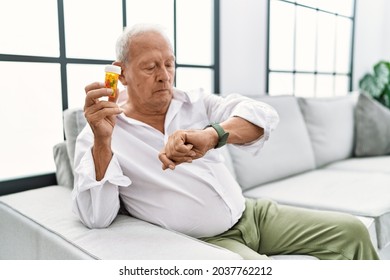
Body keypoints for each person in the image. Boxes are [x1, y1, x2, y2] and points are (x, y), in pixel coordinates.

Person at [72, 24, 379, 260]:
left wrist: (211, 136)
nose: (165, 76)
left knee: (352, 232)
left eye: (169, 63)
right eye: (151, 67)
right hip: (209, 241)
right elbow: (96, 217)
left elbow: (262, 117)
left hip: (253, 214)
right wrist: (103, 142)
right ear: (121, 73)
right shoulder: (101, 132)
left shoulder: (195, 102)